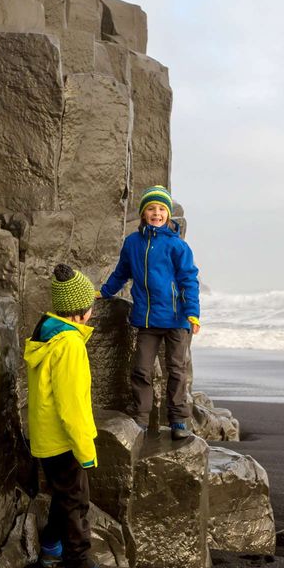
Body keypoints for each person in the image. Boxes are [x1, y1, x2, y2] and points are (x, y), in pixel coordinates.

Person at [24, 263, 116, 568]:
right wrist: (85, 449)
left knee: (63, 495)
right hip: (64, 440)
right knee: (77, 501)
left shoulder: (45, 330)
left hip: (44, 436)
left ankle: (51, 547)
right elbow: (72, 405)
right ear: (81, 312)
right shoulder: (71, 345)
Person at [99, 185, 200, 439]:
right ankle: (141, 417)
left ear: (168, 214)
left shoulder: (177, 246)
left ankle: (178, 420)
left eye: (162, 209)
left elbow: (189, 280)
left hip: (177, 319)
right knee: (141, 369)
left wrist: (193, 313)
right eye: (151, 209)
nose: (157, 213)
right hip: (147, 319)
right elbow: (122, 272)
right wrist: (106, 291)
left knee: (176, 370)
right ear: (144, 213)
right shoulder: (132, 243)